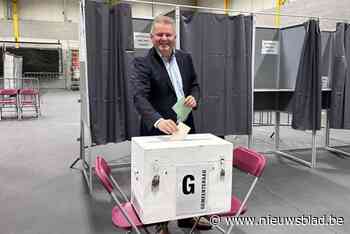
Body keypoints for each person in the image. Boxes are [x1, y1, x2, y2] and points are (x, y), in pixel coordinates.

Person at [130, 15, 211, 233]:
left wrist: (194, 98)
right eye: (159, 35)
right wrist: (157, 120)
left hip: (185, 127)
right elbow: (139, 97)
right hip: (159, 131)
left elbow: (195, 84)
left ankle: (187, 217)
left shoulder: (185, 58)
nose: (164, 39)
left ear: (175, 36)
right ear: (151, 37)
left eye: (168, 35)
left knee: (187, 173)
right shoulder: (142, 63)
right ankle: (161, 223)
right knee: (160, 178)